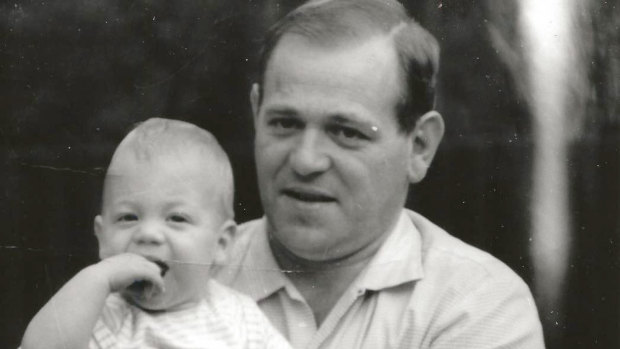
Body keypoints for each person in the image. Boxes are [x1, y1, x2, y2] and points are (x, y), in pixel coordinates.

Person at [216, 0, 545, 348]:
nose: (305, 160)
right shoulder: (185, 272)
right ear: (256, 115)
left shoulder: (475, 304)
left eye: (346, 132)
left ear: (419, 146)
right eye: (284, 123)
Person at [21, 118, 291, 349]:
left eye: (176, 218)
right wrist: (97, 279)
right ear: (102, 239)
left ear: (221, 243)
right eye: (128, 217)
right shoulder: (104, 315)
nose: (148, 234)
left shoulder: (242, 318)